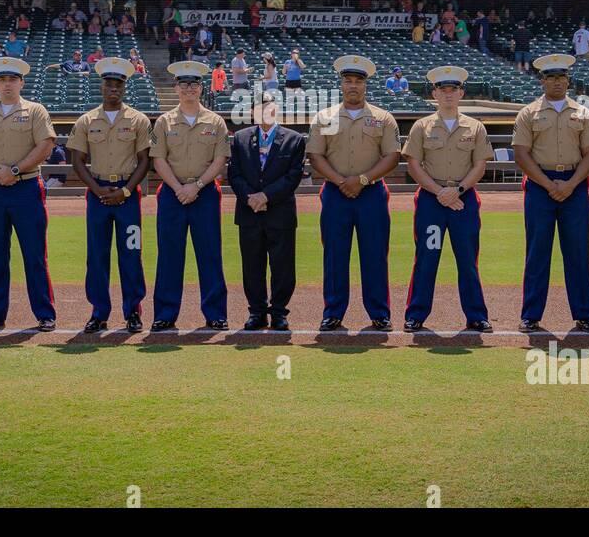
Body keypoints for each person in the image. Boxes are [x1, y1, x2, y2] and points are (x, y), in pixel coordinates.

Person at [306, 55, 401, 332]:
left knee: (374, 255)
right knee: (335, 255)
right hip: (335, 194)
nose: (353, 86)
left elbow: (392, 156)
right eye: (348, 81)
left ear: (366, 86)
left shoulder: (383, 118)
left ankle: (379, 313)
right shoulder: (325, 117)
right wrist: (341, 181)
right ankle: (333, 312)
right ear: (341, 84)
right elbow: (316, 155)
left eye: (358, 81)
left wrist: (361, 180)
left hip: (371, 193)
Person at [0, 57, 58, 332]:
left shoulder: (35, 110)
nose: (7, 84)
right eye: (2, 80)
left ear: (21, 82)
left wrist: (14, 170)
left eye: (12, 79)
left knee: (34, 254)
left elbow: (46, 145)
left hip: (27, 188)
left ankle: (44, 313)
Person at [402, 66, 495, 332]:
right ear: (435, 94)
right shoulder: (422, 126)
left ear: (462, 93)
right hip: (432, 202)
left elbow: (479, 166)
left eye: (453, 90)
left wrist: (458, 191)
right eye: (443, 90)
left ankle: (476, 315)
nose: (449, 95)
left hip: (463, 201)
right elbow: (414, 164)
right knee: (427, 257)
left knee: (467, 259)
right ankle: (416, 314)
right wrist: (439, 192)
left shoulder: (475, 127)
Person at [511, 54, 589, 333]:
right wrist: (549, 185)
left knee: (578, 253)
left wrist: (571, 184)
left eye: (562, 77)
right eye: (551, 77)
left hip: (574, 185)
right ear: (542, 80)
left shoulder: (583, 113)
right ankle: (531, 315)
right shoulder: (528, 112)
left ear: (568, 80)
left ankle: (584, 314)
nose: (557, 82)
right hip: (540, 185)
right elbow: (521, 154)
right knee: (538, 253)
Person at [68, 58, 153, 333]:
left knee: (131, 253)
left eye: (118, 84)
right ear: (102, 86)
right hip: (98, 196)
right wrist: (96, 189)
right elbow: (78, 160)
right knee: (97, 256)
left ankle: (133, 312)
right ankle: (99, 312)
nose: (113, 89)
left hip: (128, 195)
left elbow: (144, 161)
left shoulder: (138, 120)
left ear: (124, 88)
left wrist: (126, 190)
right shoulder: (87, 120)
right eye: (109, 84)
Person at [148, 61, 232, 331]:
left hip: (205, 193)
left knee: (209, 255)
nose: (189, 89)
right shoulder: (164, 121)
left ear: (201, 88)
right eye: (183, 84)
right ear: (176, 88)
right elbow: (158, 160)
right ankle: (165, 314)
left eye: (194, 84)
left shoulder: (215, 121)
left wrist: (196, 185)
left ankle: (216, 313)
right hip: (173, 194)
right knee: (170, 256)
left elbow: (220, 159)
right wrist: (178, 188)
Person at [227, 92, 307, 330]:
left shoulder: (294, 139)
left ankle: (279, 312)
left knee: (282, 266)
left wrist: (266, 196)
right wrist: (250, 197)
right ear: (253, 112)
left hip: (280, 212)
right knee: (252, 265)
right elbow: (235, 174)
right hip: (249, 211)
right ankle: (257, 312)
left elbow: (293, 176)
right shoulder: (240, 139)